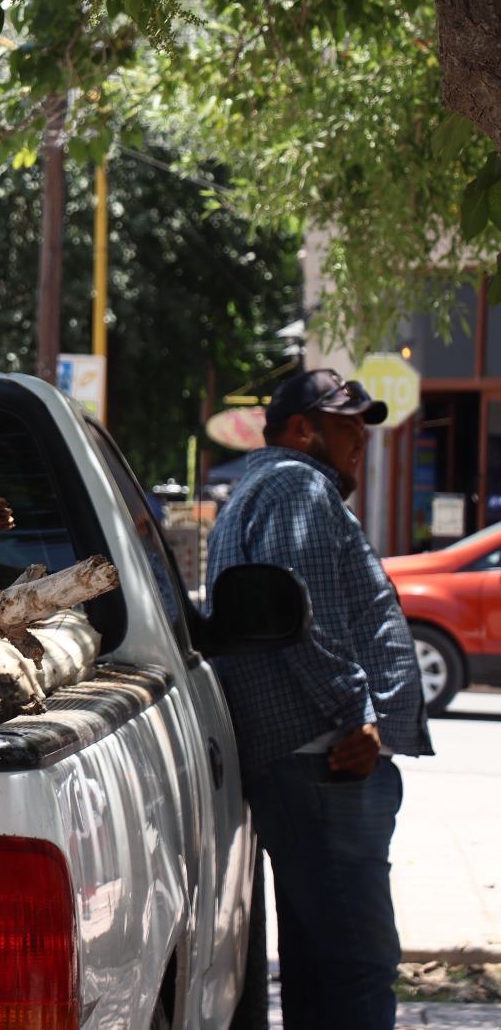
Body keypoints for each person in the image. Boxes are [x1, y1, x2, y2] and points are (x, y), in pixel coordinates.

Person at [205, 367, 432, 1030]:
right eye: (346, 422)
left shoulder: (266, 488)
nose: (361, 435)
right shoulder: (297, 484)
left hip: (306, 766)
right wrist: (357, 717)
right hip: (325, 762)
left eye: (363, 421)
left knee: (316, 968)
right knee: (358, 970)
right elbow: (303, 614)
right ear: (302, 429)